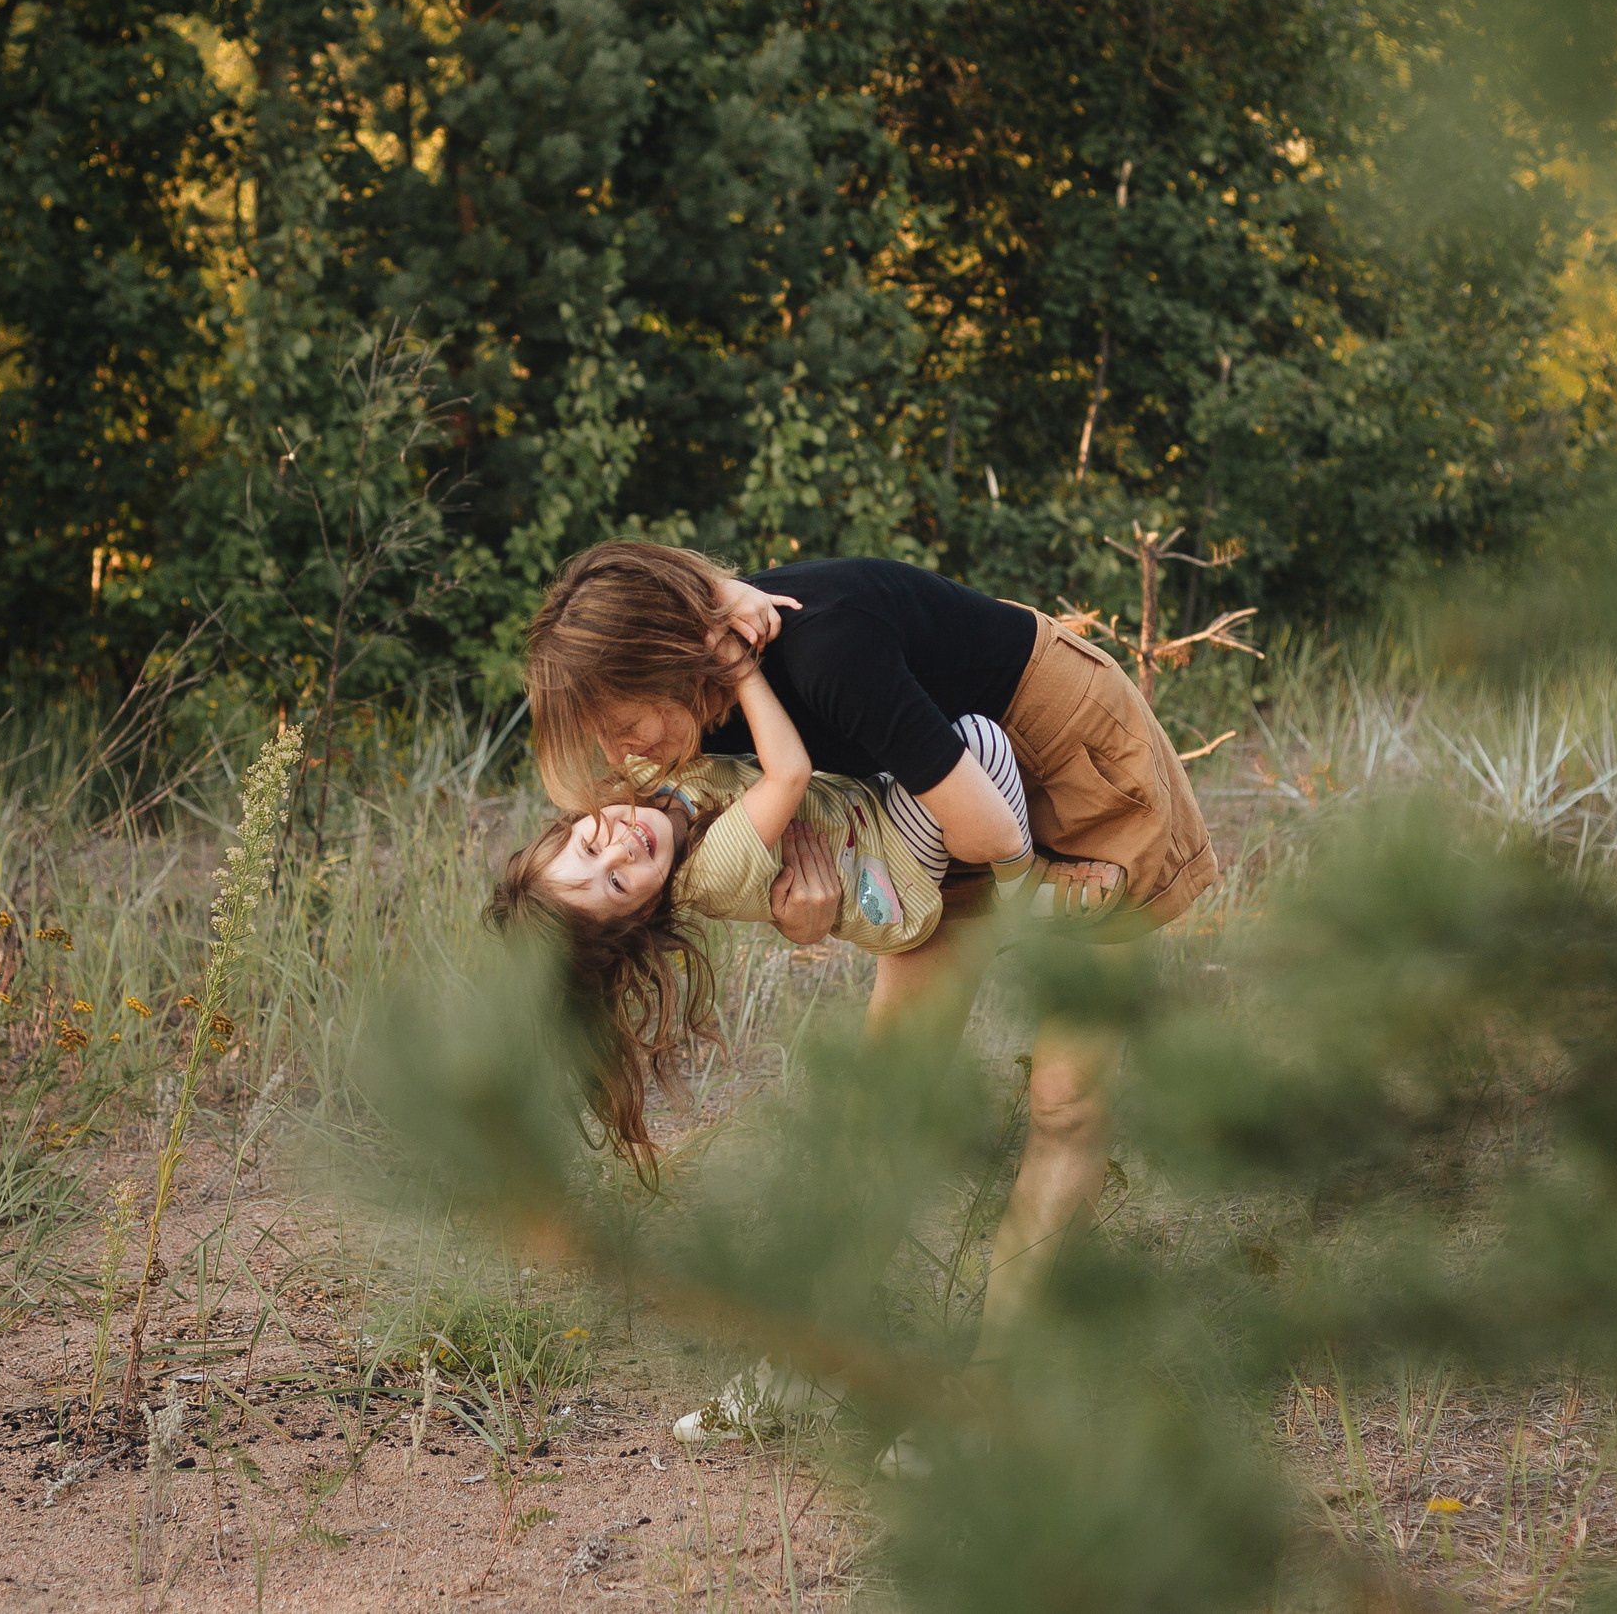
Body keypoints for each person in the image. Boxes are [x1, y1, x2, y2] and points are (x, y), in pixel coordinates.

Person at [522, 543, 1217, 1425]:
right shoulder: (695, 680)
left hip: (1051, 753)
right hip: (924, 791)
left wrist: (1019, 887)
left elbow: (983, 820)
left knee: (1066, 1098)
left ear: (672, 657)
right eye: (607, 740)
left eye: (627, 725)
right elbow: (628, 585)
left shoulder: (823, 653)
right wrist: (808, 912)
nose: (625, 754)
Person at [488, 662, 1037, 1170]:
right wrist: (743, 667)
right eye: (615, 883)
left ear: (571, 824)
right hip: (889, 868)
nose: (619, 851)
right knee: (974, 740)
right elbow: (789, 773)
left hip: (870, 804)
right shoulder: (709, 872)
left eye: (589, 849)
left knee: (931, 720)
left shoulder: (643, 782)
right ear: (642, 911)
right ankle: (1027, 883)